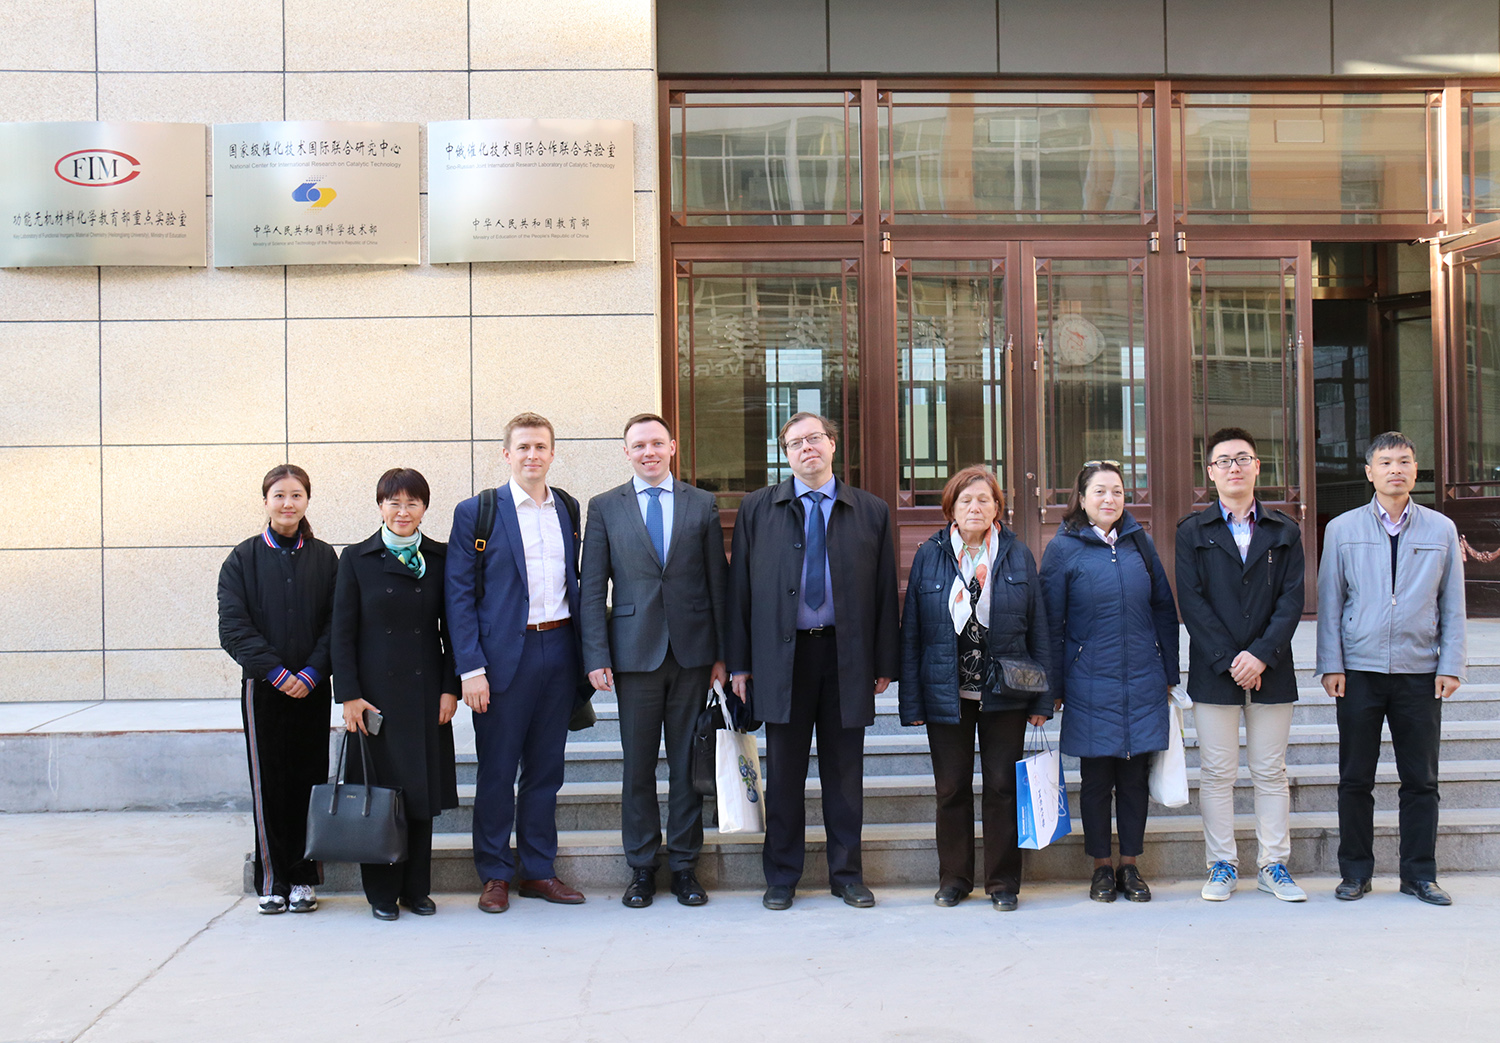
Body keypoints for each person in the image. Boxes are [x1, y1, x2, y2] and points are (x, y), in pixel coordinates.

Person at [728, 411, 899, 911]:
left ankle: (847, 875)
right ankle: (782, 876)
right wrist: (739, 664)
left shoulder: (870, 510)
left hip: (847, 658)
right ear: (785, 454)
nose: (807, 448)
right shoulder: (758, 509)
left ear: (833, 445)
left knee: (845, 775)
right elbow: (739, 591)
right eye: (795, 442)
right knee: (784, 774)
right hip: (782, 659)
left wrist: (884, 660)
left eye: (815, 439)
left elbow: (885, 591)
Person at [580, 413, 729, 909]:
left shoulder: (701, 503)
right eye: (639, 445)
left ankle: (685, 866)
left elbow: (718, 581)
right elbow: (591, 588)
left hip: (692, 654)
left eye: (657, 443)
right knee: (638, 767)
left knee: (687, 765)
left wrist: (722, 655)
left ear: (672, 448)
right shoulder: (605, 507)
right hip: (633, 654)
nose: (649, 452)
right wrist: (596, 654)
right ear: (626, 452)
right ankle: (642, 867)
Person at [446, 413, 589, 913]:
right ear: (507, 454)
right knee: (497, 770)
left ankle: (539, 870)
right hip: (503, 658)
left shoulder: (567, 507)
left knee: (546, 771)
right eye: (523, 447)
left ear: (552, 453)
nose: (532, 455)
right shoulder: (478, 511)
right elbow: (458, 595)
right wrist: (471, 669)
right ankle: (494, 874)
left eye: (541, 447)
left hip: (560, 650)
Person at [1317, 431, 1467, 906]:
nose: (1395, 469)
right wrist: (1331, 664)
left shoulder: (1441, 529)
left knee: (1421, 781)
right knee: (1355, 778)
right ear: (1369, 472)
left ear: (1415, 470)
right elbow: (1330, 601)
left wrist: (1451, 664)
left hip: (1419, 671)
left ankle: (1419, 875)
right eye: (1385, 462)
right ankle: (1355, 872)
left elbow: (1454, 603)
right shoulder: (1342, 528)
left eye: (1403, 461)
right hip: (1358, 671)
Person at [898, 466, 1052, 912]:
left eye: (984, 499)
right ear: (951, 507)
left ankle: (1002, 882)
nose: (975, 507)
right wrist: (912, 701)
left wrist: (1043, 698)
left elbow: (1039, 629)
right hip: (946, 692)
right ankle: (954, 879)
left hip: (1006, 694)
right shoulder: (930, 555)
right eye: (966, 500)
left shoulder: (1017, 555)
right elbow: (913, 632)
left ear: (997, 507)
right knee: (951, 789)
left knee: (1002, 787)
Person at [1175, 428, 1306, 903]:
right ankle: (1222, 864)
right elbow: (1191, 602)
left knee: (1270, 770)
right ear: (1210, 472)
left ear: (1257, 467)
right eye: (1224, 461)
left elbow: (1291, 600)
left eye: (1243, 458)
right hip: (1216, 669)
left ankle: (1273, 865)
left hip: (1272, 667)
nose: (1234, 467)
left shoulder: (1284, 530)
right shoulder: (1192, 531)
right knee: (1217, 772)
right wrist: (1231, 659)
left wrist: (1261, 655)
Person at [1039, 461, 1179, 903]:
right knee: (1097, 781)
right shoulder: (1063, 549)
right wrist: (1053, 687)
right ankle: (1101, 867)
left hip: (1142, 678)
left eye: (1117, 491)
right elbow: (1050, 623)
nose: (1109, 499)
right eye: (1099, 491)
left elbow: (1163, 608)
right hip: (1088, 681)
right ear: (1081, 499)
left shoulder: (1140, 542)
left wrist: (1169, 672)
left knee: (1134, 780)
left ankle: (1130, 866)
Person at [331, 468, 460, 920]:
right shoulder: (356, 558)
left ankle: (416, 890)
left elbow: (453, 630)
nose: (403, 512)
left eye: (412, 503)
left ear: (424, 508)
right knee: (379, 797)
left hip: (426, 693)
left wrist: (450, 688)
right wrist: (348, 695)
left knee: (419, 796)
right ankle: (382, 894)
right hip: (374, 698)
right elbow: (341, 633)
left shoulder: (441, 557)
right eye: (394, 503)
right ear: (380, 506)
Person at [217, 464, 339, 915]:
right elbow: (233, 626)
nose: (288, 503)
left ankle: (304, 878)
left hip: (312, 687)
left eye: (296, 495)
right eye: (280, 495)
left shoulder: (325, 558)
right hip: (264, 690)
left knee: (309, 778)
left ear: (307, 500)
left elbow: (337, 622)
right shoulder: (243, 559)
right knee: (269, 783)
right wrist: (275, 672)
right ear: (265, 501)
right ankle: (271, 880)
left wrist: (312, 672)